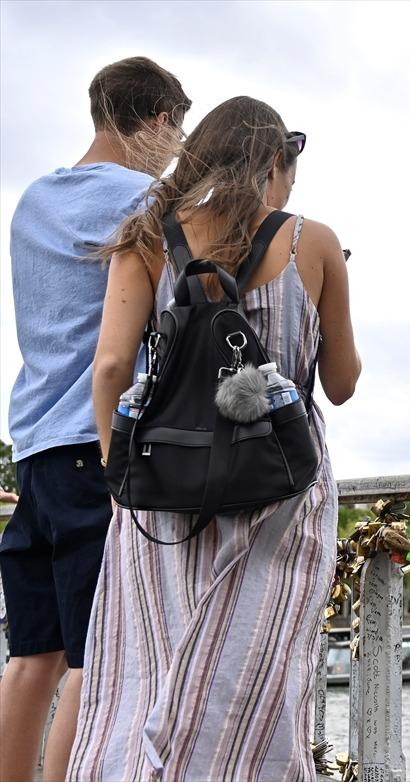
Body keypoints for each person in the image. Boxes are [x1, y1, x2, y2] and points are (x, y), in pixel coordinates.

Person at [68, 95, 360, 781]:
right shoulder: (310, 240)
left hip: (165, 490)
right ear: (271, 164)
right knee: (260, 689)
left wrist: (118, 480)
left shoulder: (145, 236)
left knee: (149, 675)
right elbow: (342, 383)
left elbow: (110, 366)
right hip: (279, 496)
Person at [0, 56, 189, 782]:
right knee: (96, 657)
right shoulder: (150, 202)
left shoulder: (32, 201)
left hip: (37, 444)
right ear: (159, 119)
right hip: (99, 443)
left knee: (32, 656)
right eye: (176, 135)